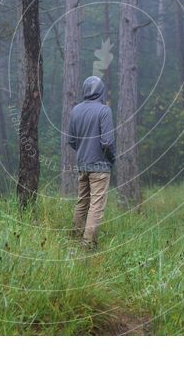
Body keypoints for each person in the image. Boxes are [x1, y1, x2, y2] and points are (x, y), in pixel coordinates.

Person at [67, 76, 116, 249]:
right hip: (100, 167)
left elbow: (71, 141)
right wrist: (111, 158)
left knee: (82, 202)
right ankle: (88, 244)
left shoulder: (76, 110)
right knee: (96, 206)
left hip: (82, 165)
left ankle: (75, 237)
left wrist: (83, 152)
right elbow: (107, 142)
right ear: (101, 91)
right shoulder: (104, 111)